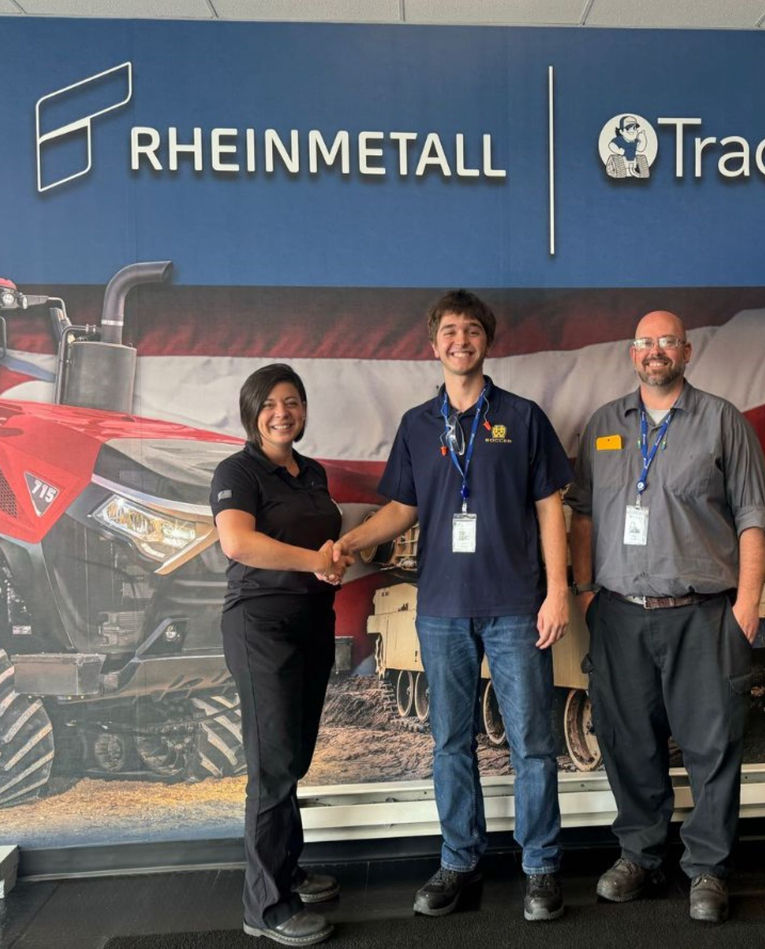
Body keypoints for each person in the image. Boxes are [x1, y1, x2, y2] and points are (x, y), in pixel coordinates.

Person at [334, 290, 572, 921]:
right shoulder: (418, 425)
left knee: (533, 743)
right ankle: (459, 863)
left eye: (471, 330)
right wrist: (352, 542)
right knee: (450, 743)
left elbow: (552, 508)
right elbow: (403, 508)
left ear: (487, 342)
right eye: (448, 331)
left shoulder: (522, 417)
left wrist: (557, 589)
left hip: (516, 606)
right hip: (439, 607)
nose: (459, 340)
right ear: (432, 343)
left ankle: (541, 868)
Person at [567, 310, 765, 924]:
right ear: (632, 355)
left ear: (686, 351)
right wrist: (585, 592)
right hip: (619, 614)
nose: (655, 352)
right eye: (645, 343)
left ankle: (708, 869)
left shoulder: (722, 421)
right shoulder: (603, 425)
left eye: (667, 342)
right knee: (627, 742)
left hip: (702, 613)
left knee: (713, 746)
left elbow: (754, 518)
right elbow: (581, 516)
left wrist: (745, 607)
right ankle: (640, 854)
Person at [211, 363, 354, 947]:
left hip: (311, 621)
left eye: (292, 402)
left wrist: (338, 555)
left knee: (291, 756)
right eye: (270, 403)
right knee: (271, 765)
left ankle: (287, 870)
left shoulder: (312, 471)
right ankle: (265, 907)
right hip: (259, 625)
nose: (282, 412)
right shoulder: (237, 470)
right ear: (252, 411)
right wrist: (316, 560)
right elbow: (237, 542)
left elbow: (327, 540)